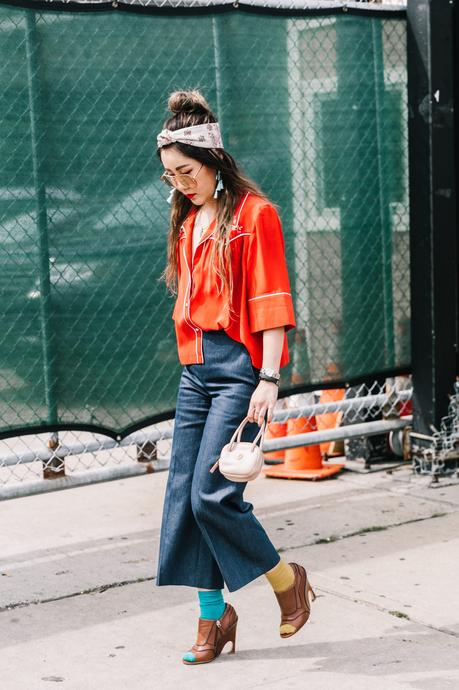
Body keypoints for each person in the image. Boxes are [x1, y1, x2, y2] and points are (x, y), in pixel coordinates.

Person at [155, 89, 316, 666]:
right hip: (195, 370)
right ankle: (211, 620)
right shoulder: (187, 219)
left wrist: (268, 379)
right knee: (183, 497)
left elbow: (272, 300)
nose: (181, 183)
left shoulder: (254, 214)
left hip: (238, 371)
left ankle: (285, 581)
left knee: (213, 493)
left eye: (188, 171)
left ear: (214, 160)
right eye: (171, 174)